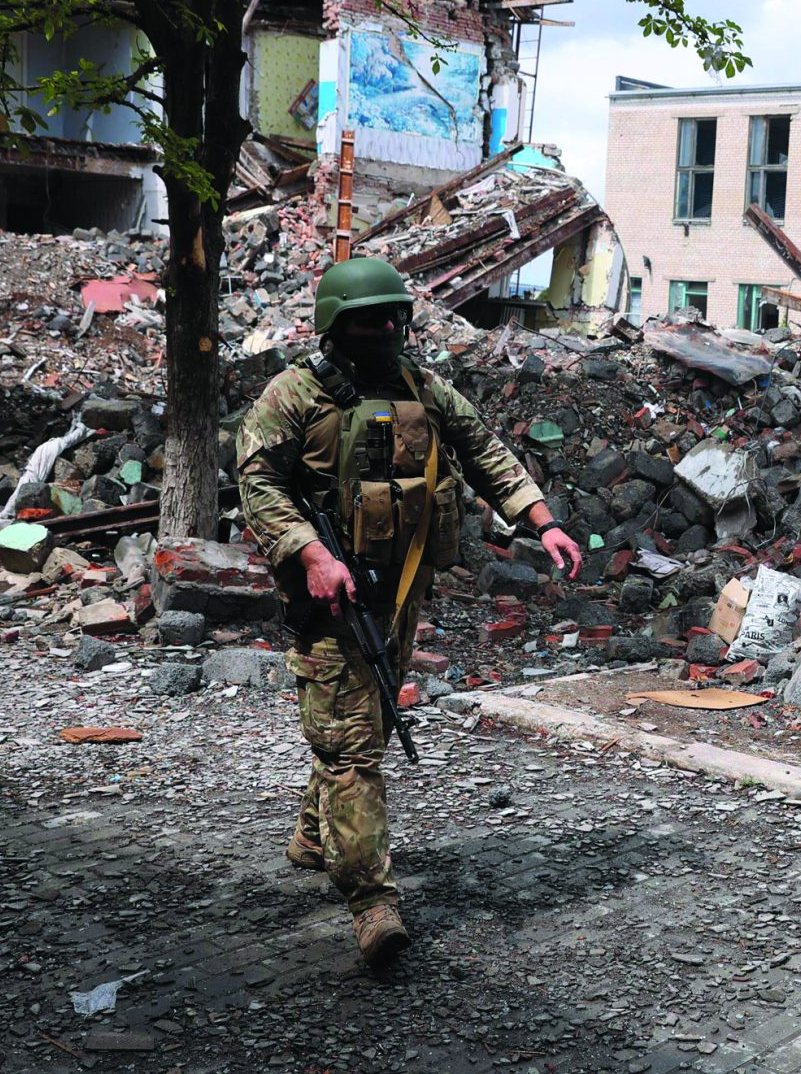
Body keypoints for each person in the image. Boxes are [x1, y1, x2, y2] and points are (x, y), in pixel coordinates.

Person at [236, 257, 582, 965]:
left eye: (396, 315)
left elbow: (483, 448)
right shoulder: (291, 396)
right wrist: (310, 554)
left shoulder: (421, 387)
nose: (388, 328)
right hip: (327, 593)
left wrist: (540, 520)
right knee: (352, 745)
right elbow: (257, 482)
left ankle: (314, 834)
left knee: (360, 723)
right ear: (337, 324)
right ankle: (371, 901)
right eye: (372, 318)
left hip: (398, 589)